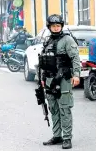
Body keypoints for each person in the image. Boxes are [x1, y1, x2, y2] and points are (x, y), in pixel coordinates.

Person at [39, 14, 80, 149]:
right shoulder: (47, 41)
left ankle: (67, 138)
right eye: (53, 26)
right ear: (49, 27)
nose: (56, 28)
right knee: (53, 109)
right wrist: (43, 78)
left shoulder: (67, 40)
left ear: (61, 26)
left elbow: (75, 58)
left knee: (64, 108)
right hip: (49, 78)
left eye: (58, 26)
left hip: (64, 79)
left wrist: (77, 75)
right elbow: (44, 61)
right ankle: (57, 136)